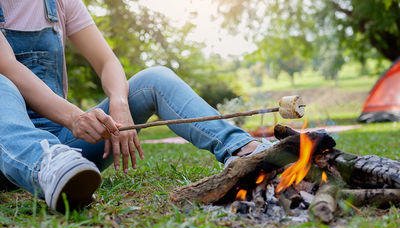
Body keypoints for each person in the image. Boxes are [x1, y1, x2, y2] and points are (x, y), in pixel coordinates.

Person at [0, 0, 268, 212]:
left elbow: (107, 61)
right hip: (11, 154)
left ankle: (245, 151)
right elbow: (9, 68)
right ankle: (41, 162)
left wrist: (118, 103)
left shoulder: (59, 2)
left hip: (64, 158)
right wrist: (74, 117)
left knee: (154, 79)